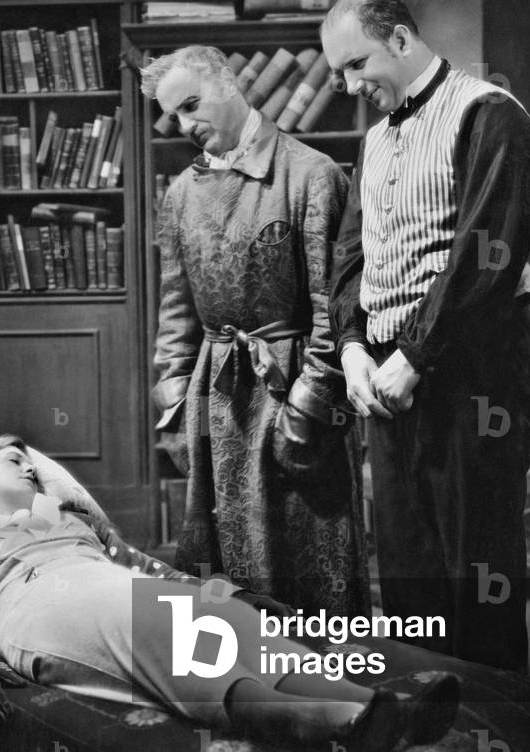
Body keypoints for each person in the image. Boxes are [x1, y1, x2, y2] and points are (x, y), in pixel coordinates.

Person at [0, 435, 459, 750]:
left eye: (32, 463)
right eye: (13, 461)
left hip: (108, 583)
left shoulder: (70, 521)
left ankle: (384, 713)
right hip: (38, 602)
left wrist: (229, 596)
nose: (31, 470)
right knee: (170, 635)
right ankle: (337, 724)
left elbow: (146, 568)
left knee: (234, 626)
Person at [321, 0, 530, 671]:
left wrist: (416, 355)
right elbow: (350, 256)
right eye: (337, 74)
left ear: (398, 37)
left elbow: (487, 252)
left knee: (474, 569)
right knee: (408, 568)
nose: (349, 85)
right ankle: (430, 725)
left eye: (356, 64)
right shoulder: (373, 140)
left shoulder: (491, 114)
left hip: (474, 375)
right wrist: (352, 345)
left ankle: (496, 730)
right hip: (390, 376)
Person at [141, 45, 370, 617]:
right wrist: (171, 405)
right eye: (175, 116)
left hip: (291, 393)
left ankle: (331, 697)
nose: (187, 126)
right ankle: (248, 699)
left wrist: (310, 406)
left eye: (193, 104)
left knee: (309, 564)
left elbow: (334, 309)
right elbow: (176, 312)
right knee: (226, 581)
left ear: (229, 81)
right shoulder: (179, 195)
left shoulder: (312, 175)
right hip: (214, 398)